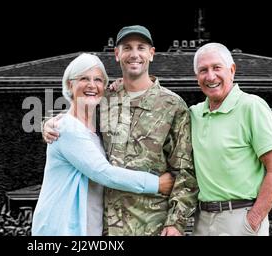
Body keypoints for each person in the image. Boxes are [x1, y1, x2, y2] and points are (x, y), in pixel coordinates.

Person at [43, 25, 199, 236]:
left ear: (151, 54)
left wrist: (176, 223)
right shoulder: (105, 99)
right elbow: (78, 118)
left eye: (141, 47)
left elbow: (185, 172)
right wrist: (51, 122)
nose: (134, 54)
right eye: (127, 47)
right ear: (117, 54)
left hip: (152, 226)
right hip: (105, 228)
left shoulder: (172, 105)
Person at [32, 53, 175, 236]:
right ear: (70, 84)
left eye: (98, 80)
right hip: (61, 228)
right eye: (84, 78)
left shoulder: (96, 129)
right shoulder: (67, 128)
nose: (92, 85)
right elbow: (104, 173)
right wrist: (157, 184)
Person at [190, 42, 272, 236]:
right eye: (203, 70)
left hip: (239, 219)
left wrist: (251, 222)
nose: (210, 76)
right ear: (197, 77)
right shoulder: (194, 114)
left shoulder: (251, 107)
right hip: (202, 221)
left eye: (217, 68)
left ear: (232, 70)